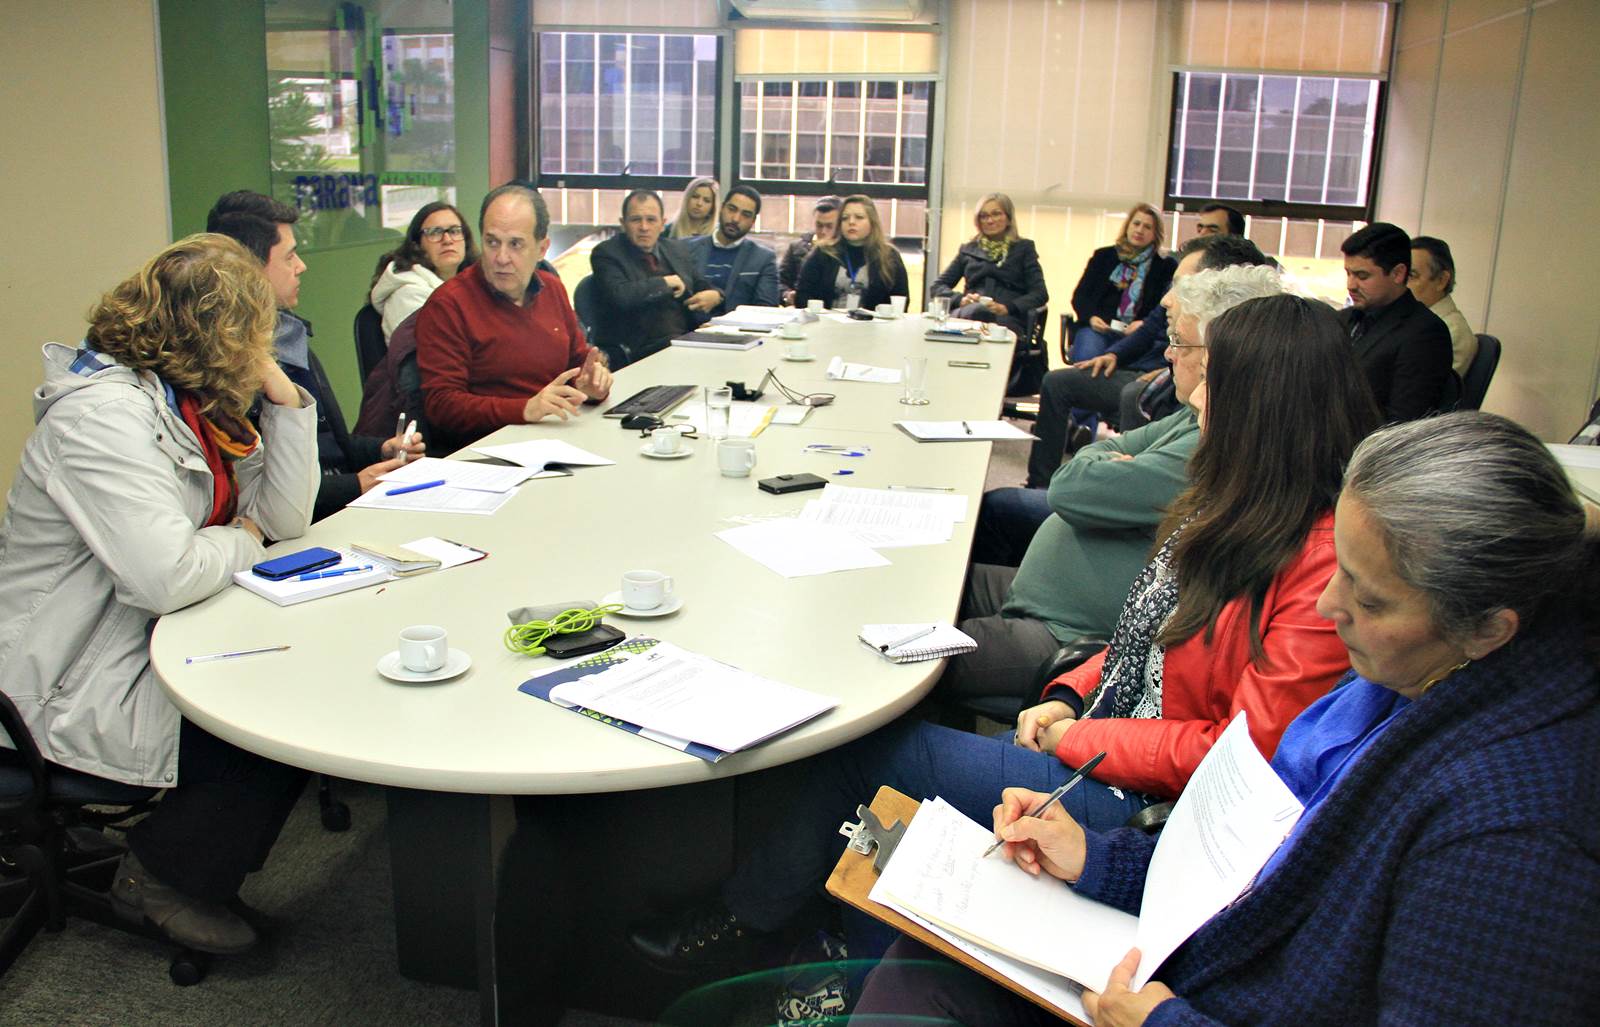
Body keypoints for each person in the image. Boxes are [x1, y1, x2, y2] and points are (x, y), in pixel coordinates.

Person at [630, 290, 1379, 975]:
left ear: (1266, 404)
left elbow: (1241, 761)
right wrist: (1068, 692)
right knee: (894, 746)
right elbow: (1146, 642)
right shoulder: (1233, 501)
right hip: (1109, 744)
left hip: (1143, 808)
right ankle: (838, 933)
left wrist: (1079, 739)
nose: (1199, 396)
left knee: (863, 756)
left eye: (1217, 379)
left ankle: (740, 925)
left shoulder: (1315, 563)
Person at [856, 411, 1600, 1026]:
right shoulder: (1410, 683)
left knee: (919, 989)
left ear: (1489, 628)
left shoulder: (1517, 833)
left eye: (1370, 599)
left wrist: (1160, 1023)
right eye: (1340, 567)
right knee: (920, 963)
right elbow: (1260, 868)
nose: (1329, 605)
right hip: (1203, 963)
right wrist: (1098, 859)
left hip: (1203, 998)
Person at [0, 234, 319, 955]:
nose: (259, 349)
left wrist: (283, 396)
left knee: (295, 682)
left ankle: (194, 864)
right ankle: (163, 878)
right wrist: (241, 539)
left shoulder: (187, 400)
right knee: (268, 716)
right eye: (254, 336)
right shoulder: (101, 418)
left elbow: (286, 522)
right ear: (217, 334)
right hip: (66, 675)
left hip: (144, 632)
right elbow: (167, 575)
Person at [948, 264, 1285, 708]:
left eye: (1180, 343)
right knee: (923, 586)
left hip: (1065, 637)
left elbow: (1069, 487)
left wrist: (1112, 460)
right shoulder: (1195, 416)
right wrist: (1109, 458)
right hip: (1039, 599)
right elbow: (1091, 462)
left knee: (907, 657)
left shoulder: (1212, 444)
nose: (1168, 354)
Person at [207, 190, 423, 520]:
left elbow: (329, 444)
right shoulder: (228, 364)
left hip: (341, 509)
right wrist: (356, 486)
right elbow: (257, 488)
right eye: (290, 256)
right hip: (301, 525)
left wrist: (380, 449)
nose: (302, 266)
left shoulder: (289, 335)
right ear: (248, 270)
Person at [1020, 235, 1268, 490]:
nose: (1166, 299)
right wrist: (1114, 355)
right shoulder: (1175, 317)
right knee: (1060, 381)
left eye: (1181, 286)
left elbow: (1070, 489)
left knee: (1133, 395)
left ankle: (1120, 480)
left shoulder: (1208, 399)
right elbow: (1148, 331)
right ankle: (1040, 481)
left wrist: (1125, 470)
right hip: (1139, 367)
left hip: (1148, 378)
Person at [415, 183, 612, 453]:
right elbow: (442, 406)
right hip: (486, 452)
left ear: (542, 248)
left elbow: (578, 366)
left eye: (516, 244)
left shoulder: (552, 288)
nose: (501, 258)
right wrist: (525, 408)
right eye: (492, 242)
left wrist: (592, 386)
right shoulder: (449, 304)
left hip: (555, 438)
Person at [588, 188, 722, 368]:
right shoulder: (606, 253)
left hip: (685, 340)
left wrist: (715, 295)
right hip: (638, 347)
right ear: (623, 223)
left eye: (651, 220)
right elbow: (621, 296)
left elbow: (701, 284)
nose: (644, 227)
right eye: (636, 220)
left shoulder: (676, 250)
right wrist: (665, 283)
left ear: (662, 224)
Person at [1338, 221, 1453, 422]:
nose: (1351, 285)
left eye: (1362, 276)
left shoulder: (1425, 334)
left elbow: (1403, 423)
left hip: (1369, 447)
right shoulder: (1343, 318)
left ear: (1398, 274)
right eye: (1348, 273)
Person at [929, 193, 1048, 338]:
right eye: (984, 216)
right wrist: (961, 299)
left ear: (1008, 218)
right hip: (969, 315)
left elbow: (1039, 293)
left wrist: (1007, 307)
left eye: (996, 214)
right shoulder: (968, 250)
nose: (990, 220)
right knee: (977, 312)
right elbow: (937, 286)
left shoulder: (1024, 249)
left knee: (991, 323)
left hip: (1007, 318)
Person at [1069, 203, 1176, 361]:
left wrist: (1144, 323)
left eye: (1147, 227)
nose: (1139, 230)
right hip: (1099, 329)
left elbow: (1165, 306)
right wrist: (1090, 317)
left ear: (1155, 233)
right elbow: (1080, 296)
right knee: (1088, 360)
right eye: (1136, 223)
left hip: (1140, 335)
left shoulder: (1166, 265)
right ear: (1128, 226)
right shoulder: (1103, 256)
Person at [369, 200, 478, 342]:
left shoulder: (473, 284)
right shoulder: (408, 294)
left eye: (454, 231)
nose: (447, 239)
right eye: (434, 232)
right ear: (417, 245)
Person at [794, 194, 909, 312]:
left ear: (872, 222)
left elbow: (900, 300)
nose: (851, 222)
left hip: (873, 326)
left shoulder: (889, 256)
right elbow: (802, 296)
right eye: (845, 218)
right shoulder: (823, 253)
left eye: (859, 217)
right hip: (827, 325)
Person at [683, 184, 780, 316]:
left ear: (753, 221)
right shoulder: (686, 248)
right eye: (732, 209)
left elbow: (766, 311)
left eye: (745, 215)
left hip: (736, 332)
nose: (735, 219)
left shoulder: (763, 259)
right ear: (722, 208)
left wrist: (720, 302)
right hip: (687, 330)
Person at [1408, 234, 1478, 376]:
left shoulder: (1450, 332)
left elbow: (1421, 393)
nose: (1401, 285)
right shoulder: (1415, 321)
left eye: (1411, 276)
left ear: (1441, 280)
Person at [779, 195, 841, 305]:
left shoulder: (845, 252)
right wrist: (787, 295)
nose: (823, 231)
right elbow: (779, 281)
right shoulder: (796, 249)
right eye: (819, 225)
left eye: (829, 226)